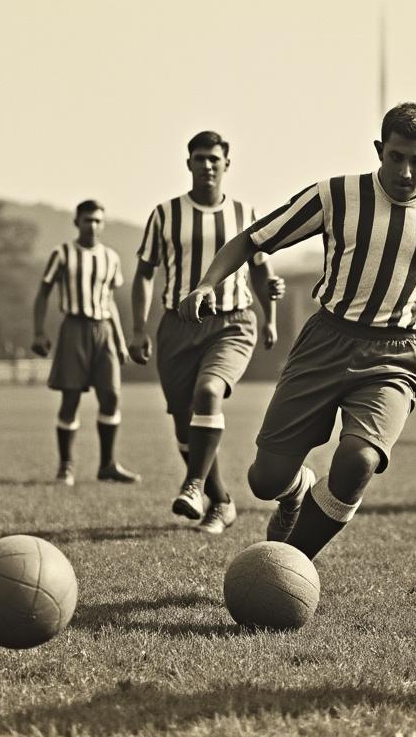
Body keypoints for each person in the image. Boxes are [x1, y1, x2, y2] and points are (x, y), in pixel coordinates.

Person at [180, 102, 416, 559]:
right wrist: (208, 283)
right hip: (326, 340)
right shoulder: (336, 196)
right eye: (396, 157)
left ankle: (291, 561)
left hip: (395, 353)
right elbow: (253, 238)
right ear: (379, 150)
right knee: (265, 479)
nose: (406, 171)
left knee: (359, 460)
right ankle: (298, 491)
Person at [129, 131, 283, 535]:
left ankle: (194, 485)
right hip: (177, 325)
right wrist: (137, 329)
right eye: (200, 158)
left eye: (215, 158)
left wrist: (270, 316)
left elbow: (262, 269)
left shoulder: (245, 213)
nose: (208, 165)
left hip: (232, 321)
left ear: (227, 164)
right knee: (185, 423)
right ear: (189, 164)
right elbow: (144, 273)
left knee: (208, 393)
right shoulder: (165, 214)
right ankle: (222, 503)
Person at [32, 200, 140, 486]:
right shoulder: (63, 254)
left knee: (111, 396)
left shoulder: (110, 257)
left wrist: (118, 339)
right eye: (87, 220)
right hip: (74, 327)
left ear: (103, 224)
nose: (92, 225)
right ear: (76, 222)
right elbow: (43, 293)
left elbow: (110, 300)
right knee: (70, 398)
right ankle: (65, 466)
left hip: (103, 329)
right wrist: (38, 332)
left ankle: (107, 464)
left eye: (97, 221)